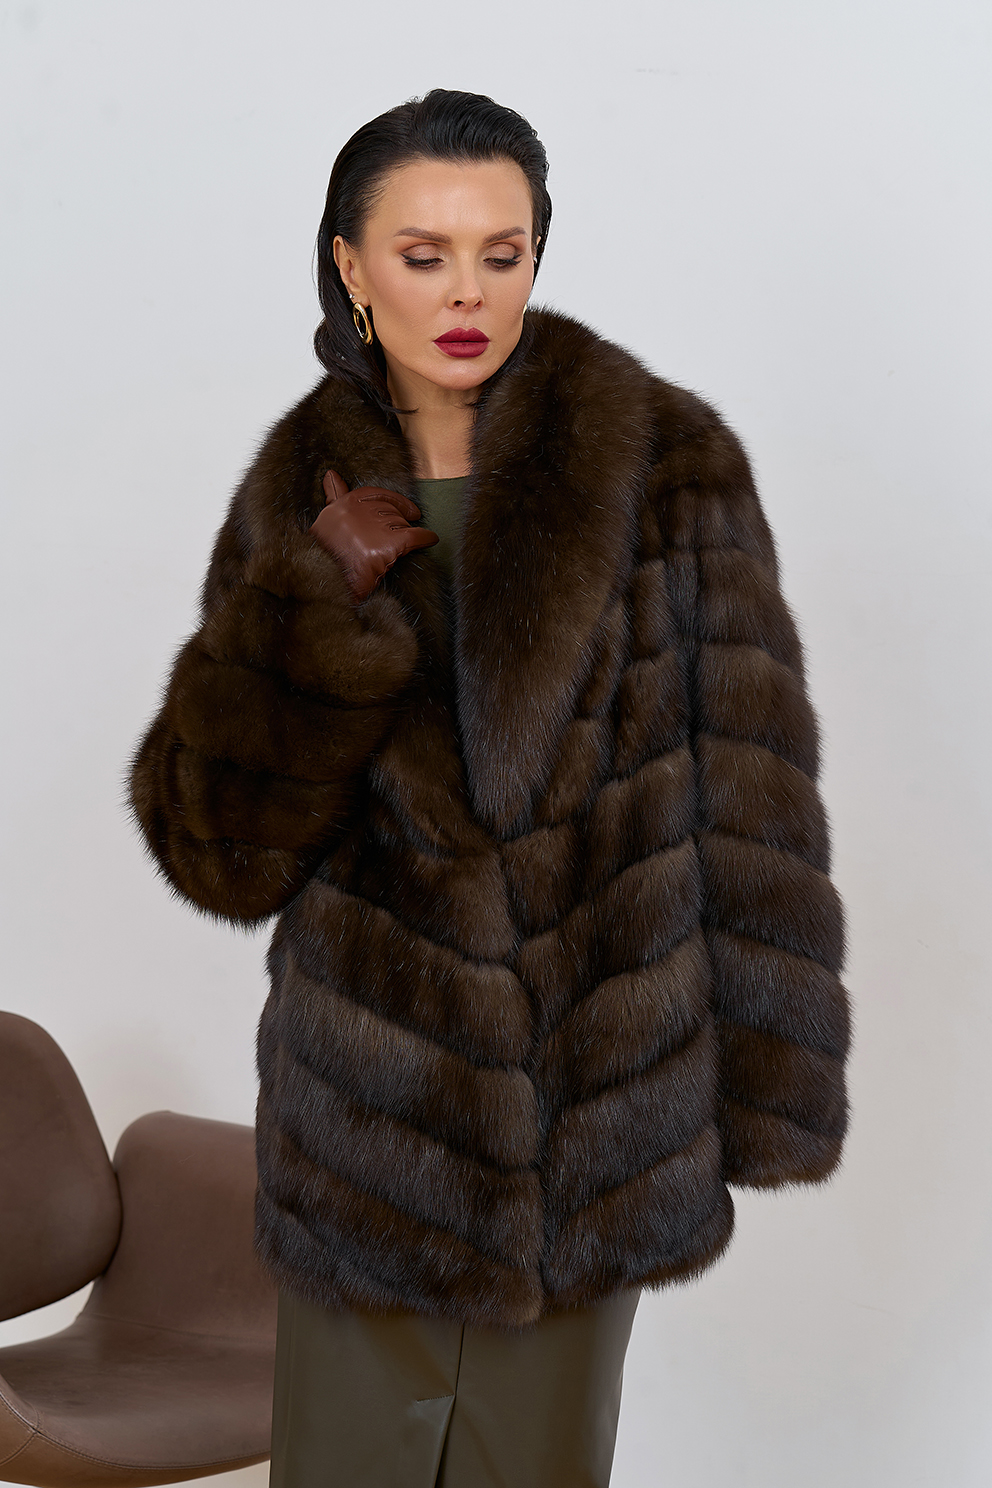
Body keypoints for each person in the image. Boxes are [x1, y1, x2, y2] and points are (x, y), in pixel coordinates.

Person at [129, 89, 851, 1488]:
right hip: (373, 1134)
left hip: (594, 1120)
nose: (468, 291)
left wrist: (767, 1094)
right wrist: (312, 602)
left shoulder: (666, 463)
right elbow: (218, 852)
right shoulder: (300, 487)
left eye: (501, 252)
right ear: (350, 265)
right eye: (424, 254)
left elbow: (755, 797)